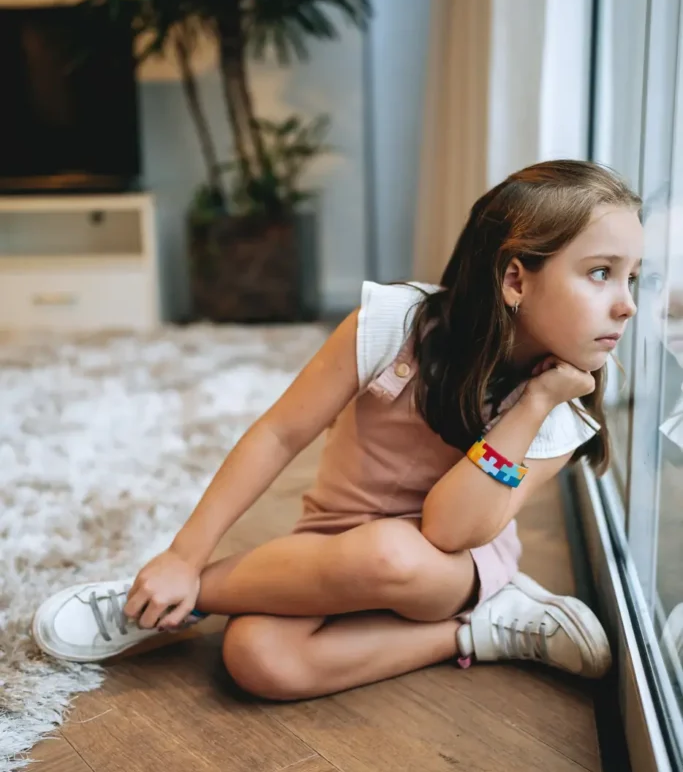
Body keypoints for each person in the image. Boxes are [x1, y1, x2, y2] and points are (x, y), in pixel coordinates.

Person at [32, 159, 644, 700]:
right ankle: (479, 632)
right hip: (332, 537)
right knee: (257, 659)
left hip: (449, 567)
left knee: (391, 552)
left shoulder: (564, 408)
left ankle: (164, 606)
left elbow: (450, 528)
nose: (627, 304)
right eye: (600, 273)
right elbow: (278, 434)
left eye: (631, 277)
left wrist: (534, 402)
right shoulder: (394, 322)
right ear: (515, 280)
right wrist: (182, 552)